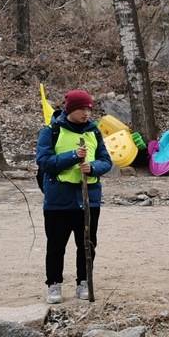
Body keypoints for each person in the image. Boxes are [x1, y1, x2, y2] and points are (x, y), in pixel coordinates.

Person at [35, 89, 112, 304]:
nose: (86, 113)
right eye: (81, 109)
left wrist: (93, 167)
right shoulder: (51, 131)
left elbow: (107, 161)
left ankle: (84, 282)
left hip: (89, 200)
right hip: (58, 200)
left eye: (88, 109)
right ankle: (54, 284)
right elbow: (44, 162)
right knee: (56, 245)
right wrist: (72, 157)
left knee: (87, 244)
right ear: (70, 109)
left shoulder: (94, 131)